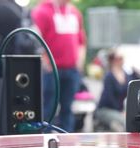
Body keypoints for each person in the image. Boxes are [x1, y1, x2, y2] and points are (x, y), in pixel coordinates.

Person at [32, 0, 86, 132]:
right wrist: (46, 63)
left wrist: (79, 62)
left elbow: (81, 41)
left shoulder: (74, 13)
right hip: (51, 70)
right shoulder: (42, 11)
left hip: (71, 70)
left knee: (68, 108)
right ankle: (44, 141)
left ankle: (67, 140)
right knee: (47, 109)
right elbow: (35, 40)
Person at [94, 49, 131, 132]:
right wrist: (121, 112)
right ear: (113, 60)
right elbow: (109, 97)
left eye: (122, 58)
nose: (122, 60)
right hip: (105, 109)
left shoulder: (126, 75)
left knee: (129, 121)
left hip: (119, 111)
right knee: (124, 122)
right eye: (119, 58)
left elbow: (132, 91)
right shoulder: (109, 76)